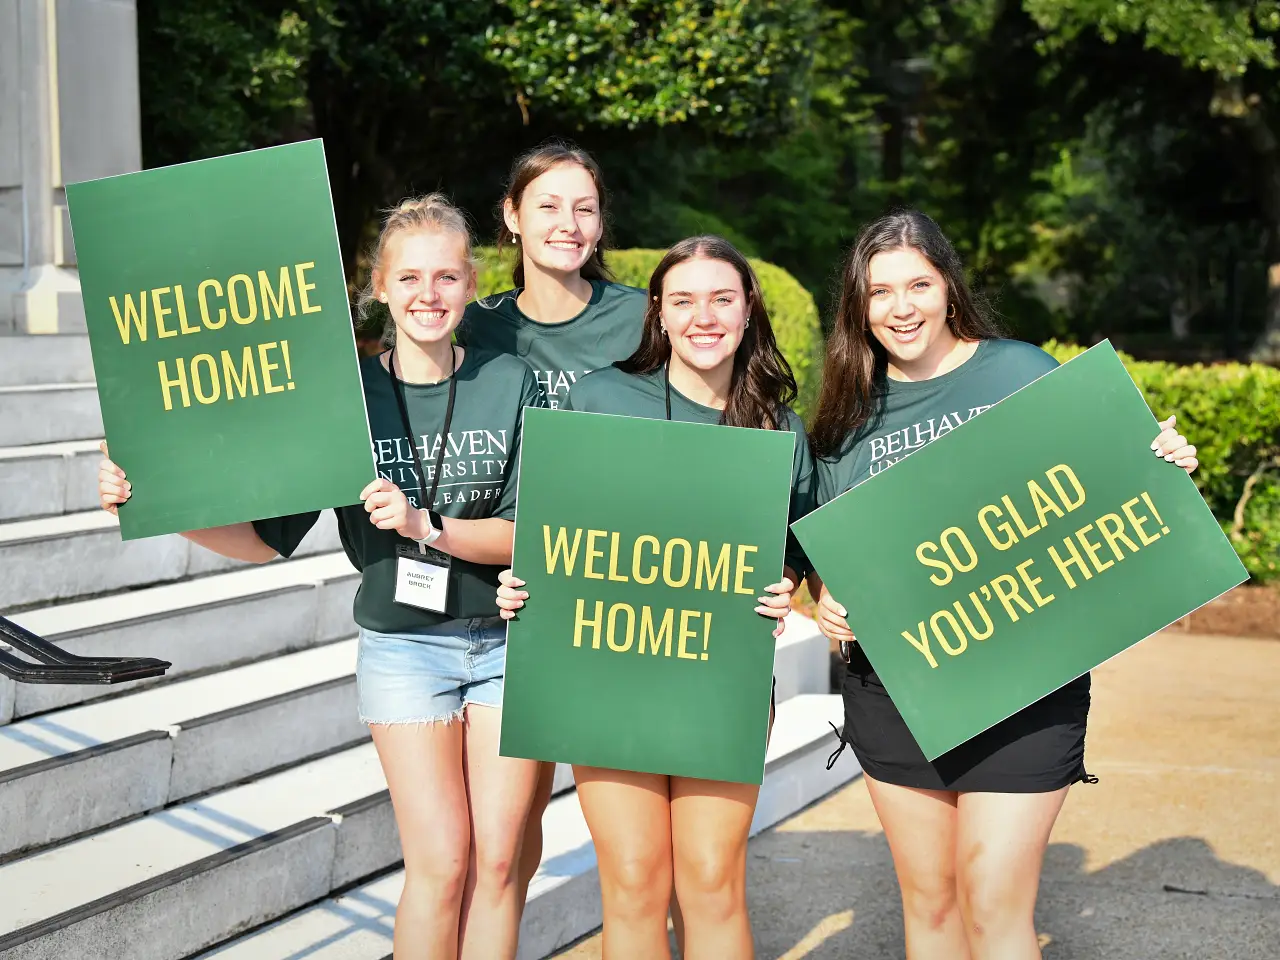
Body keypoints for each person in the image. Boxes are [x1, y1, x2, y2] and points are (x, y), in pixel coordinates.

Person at [97, 195, 545, 960]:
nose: (427, 295)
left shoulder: (512, 381)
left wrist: (423, 526)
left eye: (445, 277)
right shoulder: (346, 398)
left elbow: (528, 529)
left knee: (499, 862)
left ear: (471, 285)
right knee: (441, 863)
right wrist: (155, 504)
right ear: (378, 287)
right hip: (407, 650)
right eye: (409, 278)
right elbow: (268, 538)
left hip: (508, 641)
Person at [806, 208, 1200, 960]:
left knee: (993, 904)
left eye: (918, 284)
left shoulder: (1021, 371)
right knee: (929, 909)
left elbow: (1105, 483)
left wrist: (1163, 463)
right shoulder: (844, 412)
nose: (902, 307)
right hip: (896, 692)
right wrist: (825, 595)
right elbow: (831, 546)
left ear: (949, 288)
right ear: (859, 305)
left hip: (1025, 687)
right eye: (880, 291)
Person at [496, 235, 812, 960]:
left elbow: (794, 550)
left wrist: (785, 586)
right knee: (634, 879)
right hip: (608, 668)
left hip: (718, 676)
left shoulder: (777, 427)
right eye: (684, 300)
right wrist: (526, 585)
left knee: (710, 878)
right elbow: (553, 529)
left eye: (722, 298)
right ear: (659, 316)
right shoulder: (600, 397)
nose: (704, 316)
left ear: (747, 310)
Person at [457, 140, 649, 910]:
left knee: (645, 848)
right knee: (507, 843)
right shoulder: (477, 327)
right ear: (510, 216)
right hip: (518, 596)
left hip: (629, 591)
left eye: (585, 208)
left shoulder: (644, 317)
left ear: (601, 225)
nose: (567, 224)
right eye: (548, 205)